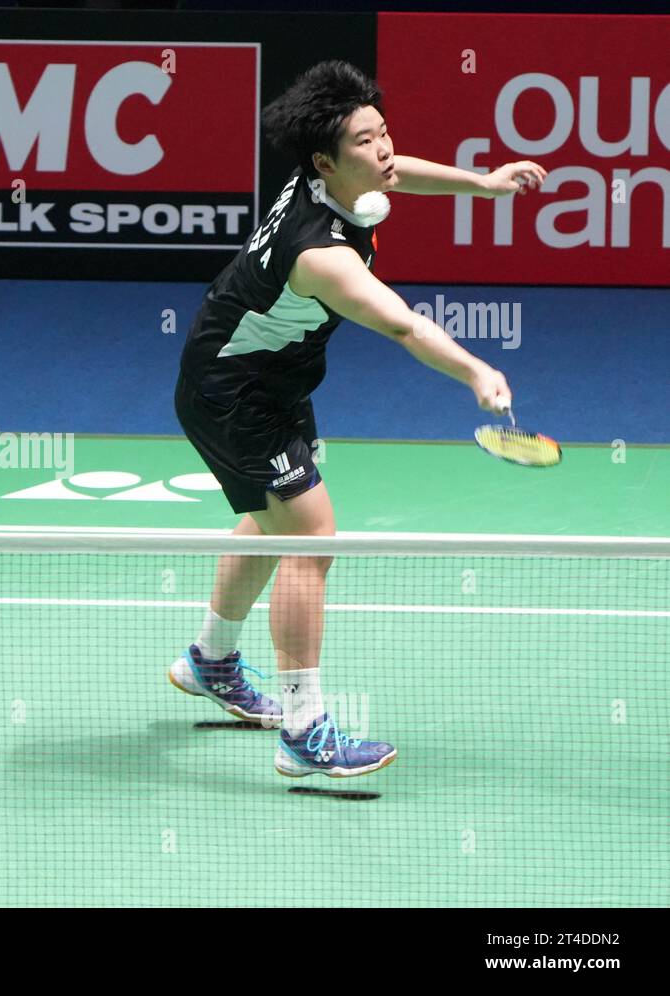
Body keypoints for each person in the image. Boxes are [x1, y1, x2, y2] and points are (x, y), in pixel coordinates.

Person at [169, 61, 546, 778]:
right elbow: (403, 326)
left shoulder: (334, 177)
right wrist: (476, 370)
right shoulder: (323, 257)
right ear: (324, 162)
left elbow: (399, 170)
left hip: (264, 377)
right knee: (310, 537)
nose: (384, 152)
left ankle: (210, 660)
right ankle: (303, 728)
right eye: (367, 142)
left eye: (384, 134)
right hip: (233, 394)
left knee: (270, 517)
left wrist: (485, 182)